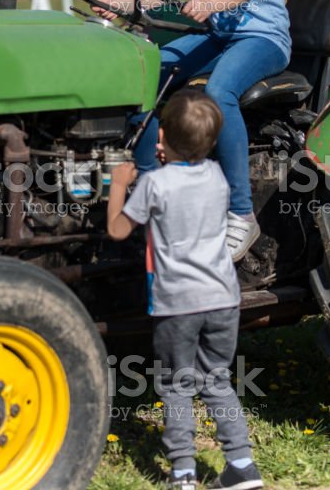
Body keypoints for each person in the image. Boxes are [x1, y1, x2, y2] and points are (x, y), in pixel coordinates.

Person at [96, 0, 293, 262]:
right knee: (150, 70)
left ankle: (242, 213)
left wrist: (208, 2)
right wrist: (125, 3)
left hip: (262, 38)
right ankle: (151, 187)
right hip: (221, 35)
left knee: (219, 91)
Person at [107, 89, 264, 490]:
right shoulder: (217, 176)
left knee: (176, 386)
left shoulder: (155, 184)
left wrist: (119, 185)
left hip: (178, 303)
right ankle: (242, 467)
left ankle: (182, 474)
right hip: (223, 299)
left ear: (163, 140)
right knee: (216, 379)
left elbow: (118, 230)